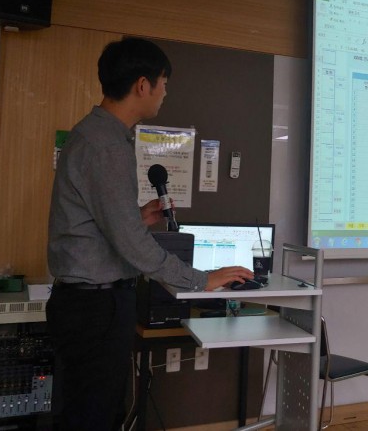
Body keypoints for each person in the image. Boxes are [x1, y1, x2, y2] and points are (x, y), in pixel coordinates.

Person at [46, 38, 253, 431]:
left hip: (90, 304)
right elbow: (132, 246)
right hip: (95, 308)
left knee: (93, 412)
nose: (164, 93)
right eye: (164, 84)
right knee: (91, 417)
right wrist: (201, 280)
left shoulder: (98, 136)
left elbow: (105, 228)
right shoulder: (106, 146)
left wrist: (137, 218)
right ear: (143, 85)